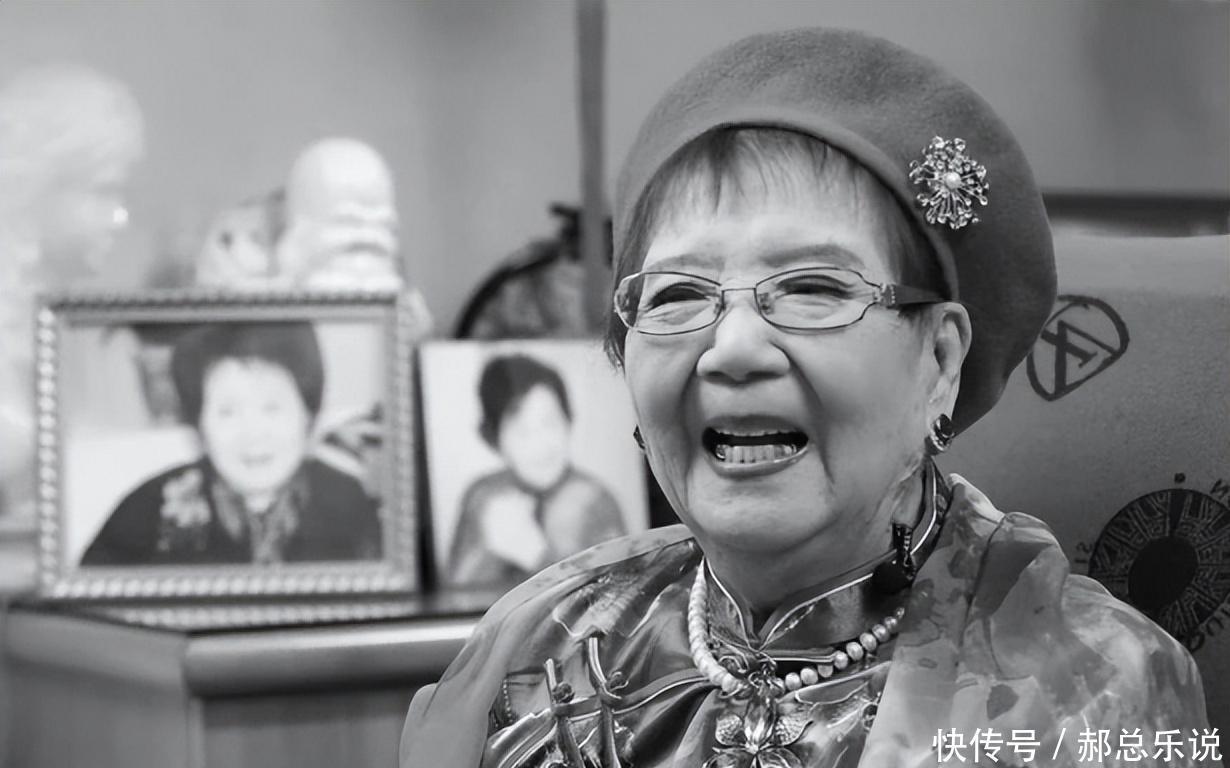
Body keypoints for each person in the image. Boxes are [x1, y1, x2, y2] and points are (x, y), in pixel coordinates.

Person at [401, 28, 1209, 767]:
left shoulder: (1088, 693)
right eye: (677, 295)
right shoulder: (533, 650)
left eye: (812, 288)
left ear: (939, 359)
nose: (732, 350)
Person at [81, 322, 381, 566]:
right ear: (199, 424)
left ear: (307, 414)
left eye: (272, 408)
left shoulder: (357, 505)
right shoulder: (148, 510)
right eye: (227, 412)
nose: (253, 433)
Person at [447, 354, 627, 587]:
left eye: (549, 423)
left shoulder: (595, 501)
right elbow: (456, 590)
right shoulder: (482, 496)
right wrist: (490, 553)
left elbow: (619, 592)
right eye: (522, 431)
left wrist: (536, 554)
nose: (540, 444)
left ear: (568, 420)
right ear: (494, 439)